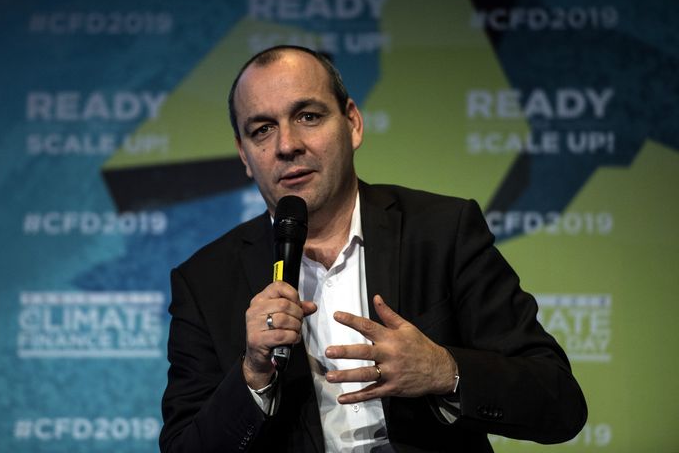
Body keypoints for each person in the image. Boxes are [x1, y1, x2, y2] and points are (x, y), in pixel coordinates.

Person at [159, 45, 587, 452]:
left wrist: (443, 370)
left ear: (353, 123)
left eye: (308, 115)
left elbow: (559, 402)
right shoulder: (204, 281)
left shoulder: (441, 232)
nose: (287, 145)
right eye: (262, 129)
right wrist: (252, 375)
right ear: (245, 154)